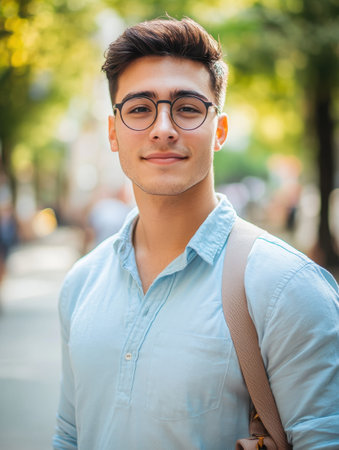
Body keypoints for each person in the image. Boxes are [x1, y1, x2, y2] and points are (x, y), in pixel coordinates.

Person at [52, 17, 339, 450]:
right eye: (139, 109)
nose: (163, 127)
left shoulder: (286, 288)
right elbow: (69, 436)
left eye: (187, 108)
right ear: (114, 132)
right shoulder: (81, 284)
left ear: (218, 130)